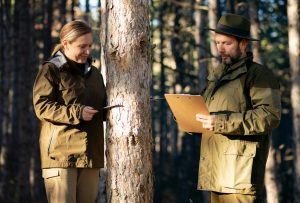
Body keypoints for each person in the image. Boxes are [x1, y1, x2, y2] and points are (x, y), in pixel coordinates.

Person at [195, 13, 281, 203]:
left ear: (243, 44)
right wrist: (188, 116)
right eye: (217, 43)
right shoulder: (217, 75)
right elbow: (206, 112)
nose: (220, 49)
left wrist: (220, 122)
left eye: (227, 43)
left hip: (239, 177)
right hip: (216, 173)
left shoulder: (259, 75)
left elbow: (269, 116)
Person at [33, 20, 107, 203]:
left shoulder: (95, 74)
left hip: (91, 156)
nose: (88, 51)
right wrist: (77, 112)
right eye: (82, 46)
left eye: (90, 45)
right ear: (66, 43)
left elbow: (101, 107)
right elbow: (42, 107)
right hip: (61, 156)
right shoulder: (51, 70)